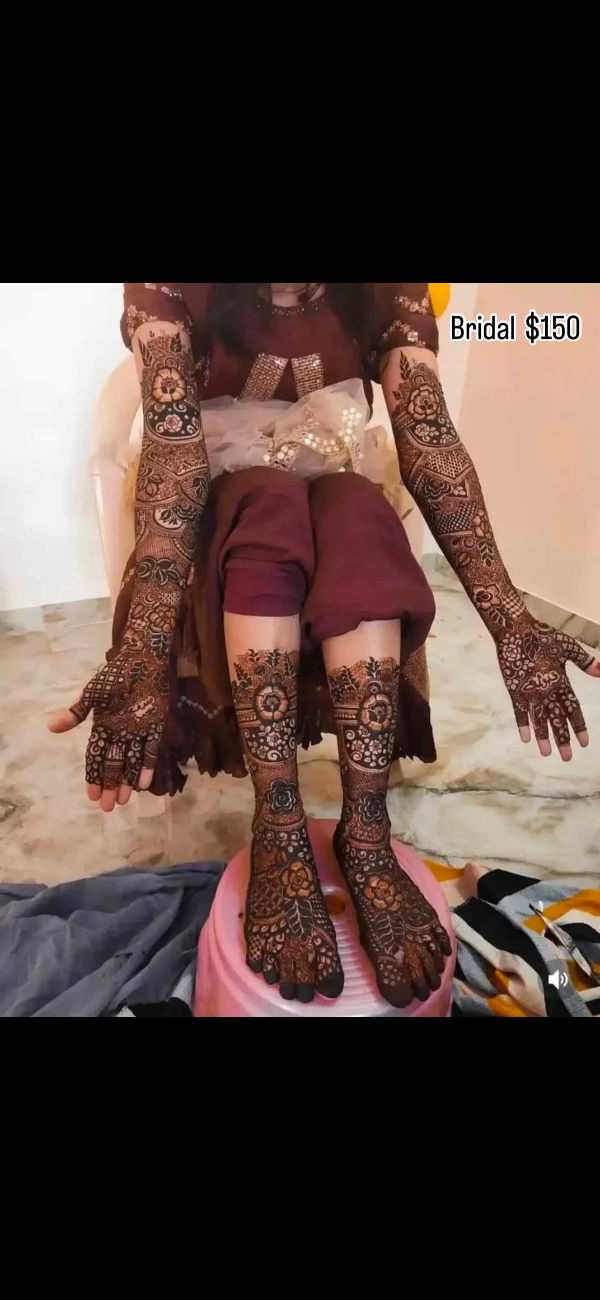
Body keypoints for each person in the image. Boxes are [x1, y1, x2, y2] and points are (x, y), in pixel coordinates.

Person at [49, 283, 600, 1007]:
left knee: (363, 515)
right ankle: (278, 824)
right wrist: (143, 644)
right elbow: (176, 455)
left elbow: (429, 438)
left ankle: (366, 832)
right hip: (224, 501)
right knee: (267, 508)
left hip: (334, 476)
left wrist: (511, 620)